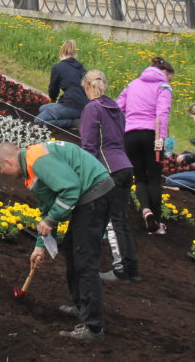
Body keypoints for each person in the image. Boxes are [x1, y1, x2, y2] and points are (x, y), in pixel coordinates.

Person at [0, 140, 113, 341]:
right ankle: (82, 307)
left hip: (95, 193)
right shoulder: (31, 168)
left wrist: (50, 220)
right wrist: (40, 246)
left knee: (84, 262)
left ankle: (93, 328)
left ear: (9, 162)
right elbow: (49, 207)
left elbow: (70, 190)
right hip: (90, 195)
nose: (0, 172)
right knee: (72, 253)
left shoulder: (37, 160)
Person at [78, 70, 139, 283]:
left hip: (109, 169)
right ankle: (132, 269)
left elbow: (89, 146)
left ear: (87, 87)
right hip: (125, 165)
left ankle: (120, 269)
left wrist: (85, 177)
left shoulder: (92, 109)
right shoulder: (116, 109)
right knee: (121, 219)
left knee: (112, 221)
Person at [116, 56, 174, 235]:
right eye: (170, 77)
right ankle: (156, 223)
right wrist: (161, 138)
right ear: (165, 72)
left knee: (140, 177)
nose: (170, 81)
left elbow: (118, 107)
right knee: (154, 179)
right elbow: (162, 113)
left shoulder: (132, 84)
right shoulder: (163, 87)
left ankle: (146, 210)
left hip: (130, 135)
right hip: (151, 135)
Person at [34, 39, 88, 130]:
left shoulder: (58, 67)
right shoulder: (83, 69)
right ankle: (73, 117)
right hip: (84, 107)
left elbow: (53, 89)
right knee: (42, 108)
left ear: (61, 54)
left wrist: (53, 98)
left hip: (71, 105)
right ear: (75, 55)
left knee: (39, 121)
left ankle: (73, 123)